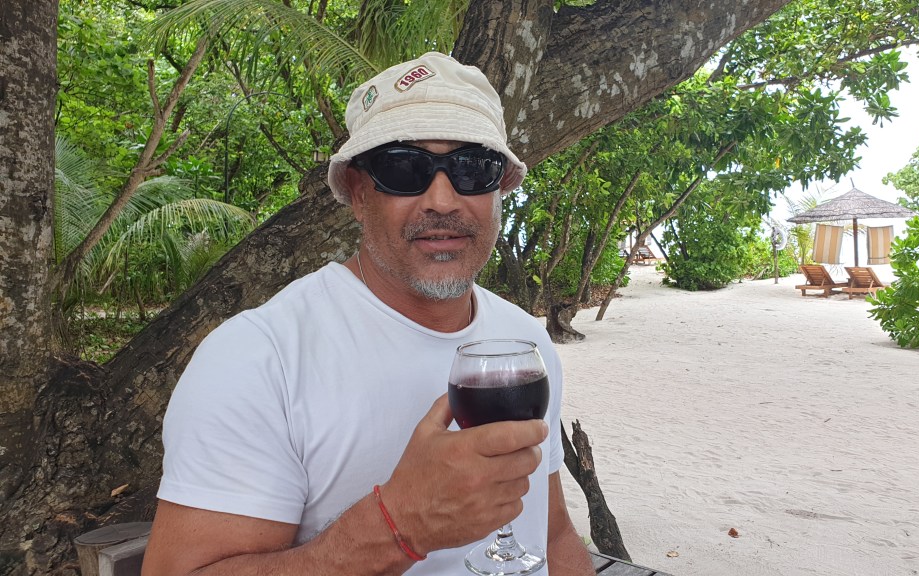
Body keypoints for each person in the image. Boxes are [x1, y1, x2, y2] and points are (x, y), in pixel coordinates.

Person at [142, 52, 595, 575]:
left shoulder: (521, 347)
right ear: (358, 194)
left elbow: (553, 535)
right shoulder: (259, 359)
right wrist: (399, 525)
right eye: (404, 169)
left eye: (473, 169)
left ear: (500, 190)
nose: (442, 199)